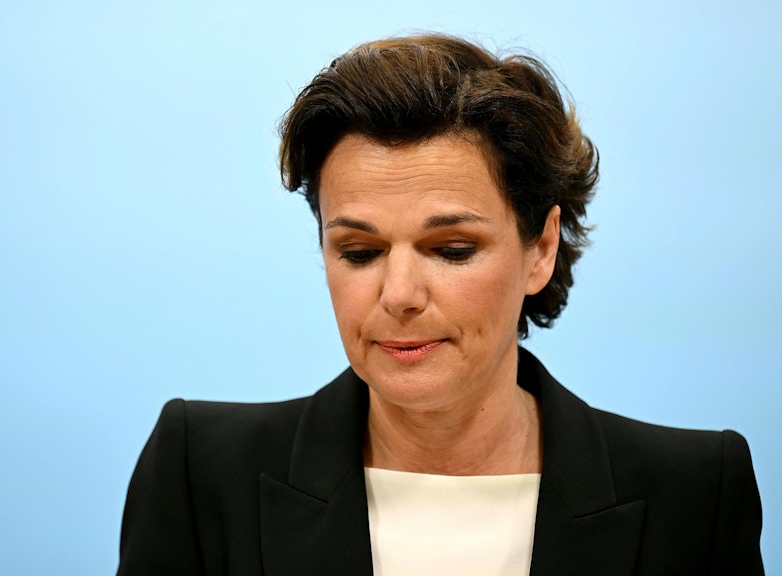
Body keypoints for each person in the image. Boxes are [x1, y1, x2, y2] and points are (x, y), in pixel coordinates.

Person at [117, 34, 764, 575]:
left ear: (541, 248)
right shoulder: (200, 473)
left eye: (452, 249)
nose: (399, 294)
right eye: (359, 252)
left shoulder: (695, 494)